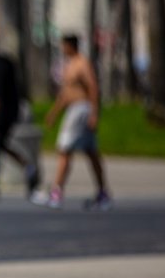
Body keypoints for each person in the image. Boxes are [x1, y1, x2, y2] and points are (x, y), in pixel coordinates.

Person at [32, 34, 112, 210]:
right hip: (74, 109)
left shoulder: (82, 64)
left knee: (64, 150)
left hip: (81, 110)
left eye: (64, 46)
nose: (62, 49)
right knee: (91, 153)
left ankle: (56, 192)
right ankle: (103, 193)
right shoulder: (69, 65)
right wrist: (54, 113)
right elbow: (65, 94)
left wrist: (94, 113)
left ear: (71, 46)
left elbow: (93, 88)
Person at [0, 33, 39, 199]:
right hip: (11, 110)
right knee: (0, 145)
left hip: (3, 112)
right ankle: (28, 167)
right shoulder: (2, 63)